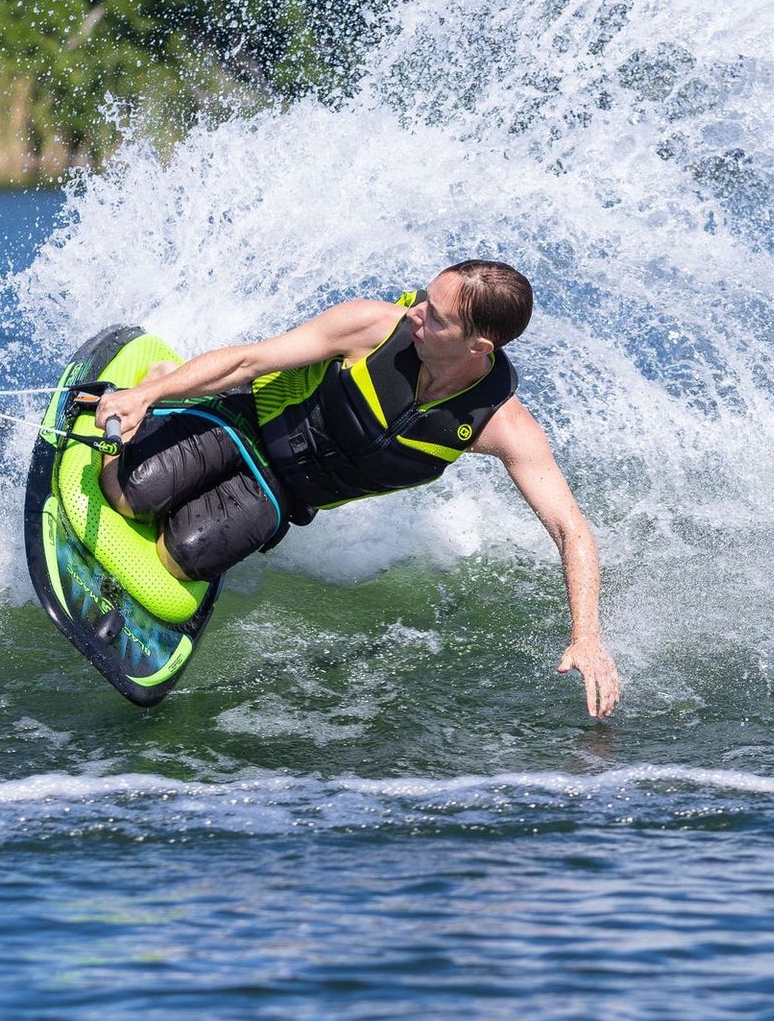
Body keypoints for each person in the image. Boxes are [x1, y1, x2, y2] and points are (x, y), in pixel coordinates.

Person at [94, 260, 620, 718]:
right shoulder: (371, 327)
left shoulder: (502, 425)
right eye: (425, 298)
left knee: (182, 554)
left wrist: (587, 639)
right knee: (130, 493)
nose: (416, 312)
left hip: (281, 495)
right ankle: (170, 381)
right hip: (245, 419)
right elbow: (250, 360)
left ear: (478, 345)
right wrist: (147, 394)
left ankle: (199, 509)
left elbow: (570, 528)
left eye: (436, 316)